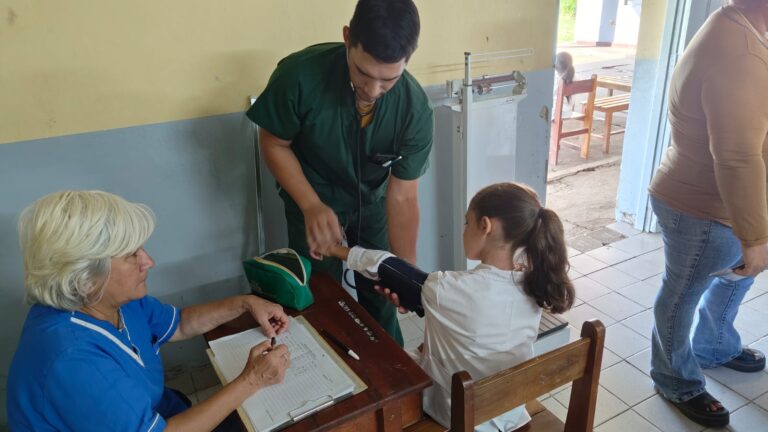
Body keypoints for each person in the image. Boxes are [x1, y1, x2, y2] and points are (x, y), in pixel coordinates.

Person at [7, 190, 292, 432]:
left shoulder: (111, 300)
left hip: (158, 412)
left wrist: (245, 302)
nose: (149, 261)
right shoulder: (72, 360)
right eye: (132, 255)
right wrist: (252, 379)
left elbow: (179, 324)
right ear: (84, 275)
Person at [246, 0, 434, 346]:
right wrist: (310, 205)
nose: (373, 90)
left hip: (371, 201)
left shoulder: (414, 109)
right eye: (363, 73)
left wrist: (405, 269)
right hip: (310, 193)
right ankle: (328, 371)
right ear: (347, 38)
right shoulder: (300, 75)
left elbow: (404, 195)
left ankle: (392, 379)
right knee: (318, 292)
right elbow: (274, 143)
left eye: (388, 80)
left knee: (381, 289)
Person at [324, 182, 575, 431]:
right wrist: (417, 301)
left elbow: (386, 266)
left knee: (378, 365)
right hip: (509, 409)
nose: (464, 229)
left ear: (485, 226)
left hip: (458, 415)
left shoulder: (449, 289)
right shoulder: (533, 282)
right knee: (417, 352)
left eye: (467, 223)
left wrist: (334, 249)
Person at [648, 0, 768, 427]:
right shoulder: (738, 49)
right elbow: (737, 157)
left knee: (733, 278)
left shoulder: (737, 28)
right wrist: (755, 238)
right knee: (683, 293)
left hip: (723, 205)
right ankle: (675, 379)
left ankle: (714, 346)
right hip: (700, 207)